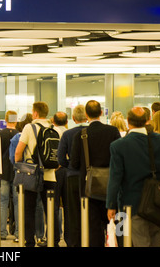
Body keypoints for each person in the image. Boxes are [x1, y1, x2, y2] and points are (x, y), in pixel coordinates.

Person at [106, 107, 160, 247]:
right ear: (147, 120)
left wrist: (111, 205)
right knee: (157, 241)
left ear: (128, 122)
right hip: (158, 202)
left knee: (140, 241)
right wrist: (159, 175)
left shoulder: (119, 146)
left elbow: (115, 178)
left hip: (132, 203)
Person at [70, 100, 121, 247]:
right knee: (116, 227)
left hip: (89, 189)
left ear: (86, 115)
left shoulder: (80, 135)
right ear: (101, 113)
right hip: (111, 187)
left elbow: (73, 164)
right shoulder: (112, 131)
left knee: (92, 230)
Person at [14, 101, 60, 247]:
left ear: (35, 113)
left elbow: (18, 151)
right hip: (50, 175)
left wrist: (20, 166)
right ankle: (54, 240)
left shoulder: (29, 127)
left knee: (29, 209)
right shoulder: (54, 129)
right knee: (51, 210)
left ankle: (29, 241)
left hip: (32, 175)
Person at [57, 104, 88, 247]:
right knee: (91, 211)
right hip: (92, 178)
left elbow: (60, 159)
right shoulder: (91, 132)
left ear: (73, 118)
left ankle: (73, 241)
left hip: (73, 176)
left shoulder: (67, 134)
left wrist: (70, 165)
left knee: (71, 211)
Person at [0, 110, 18, 240]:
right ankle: (19, 232)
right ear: (16, 120)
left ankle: (2, 232)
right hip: (17, 172)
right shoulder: (20, 135)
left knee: (2, 202)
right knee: (18, 202)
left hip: (2, 172)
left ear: (5, 120)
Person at [9, 113, 33, 243]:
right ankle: (40, 234)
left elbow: (13, 158)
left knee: (20, 204)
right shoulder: (36, 134)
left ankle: (20, 233)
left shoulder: (15, 139)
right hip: (36, 174)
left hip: (21, 175)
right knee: (37, 206)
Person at [51, 111, 68, 245]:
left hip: (54, 171)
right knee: (69, 206)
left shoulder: (51, 133)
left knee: (54, 205)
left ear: (53, 121)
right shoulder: (70, 133)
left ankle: (54, 237)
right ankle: (69, 237)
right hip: (67, 171)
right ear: (67, 121)